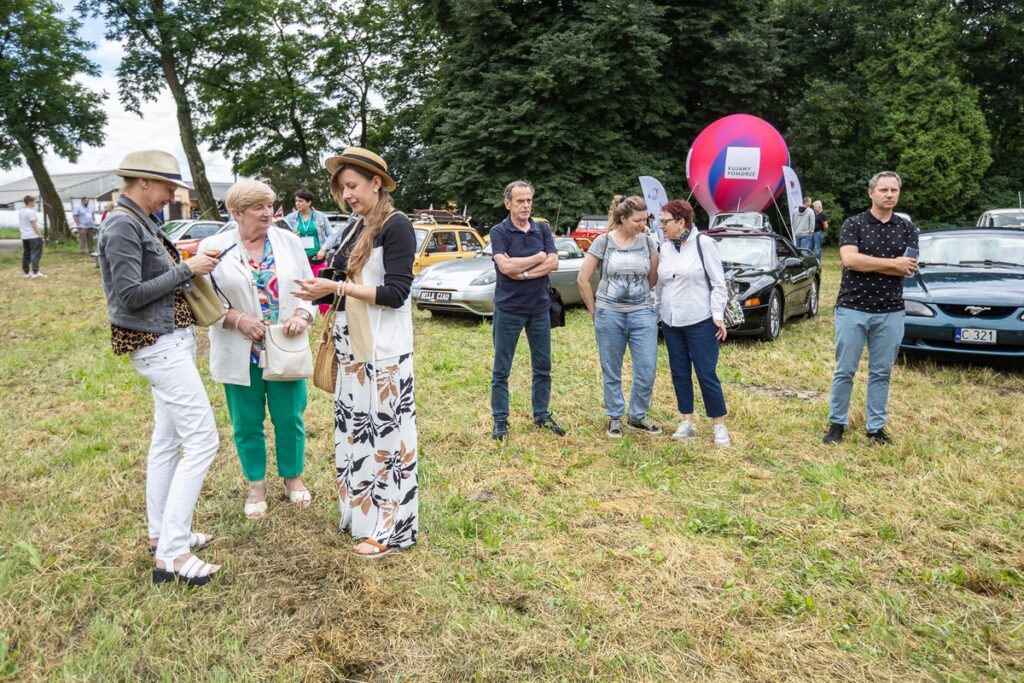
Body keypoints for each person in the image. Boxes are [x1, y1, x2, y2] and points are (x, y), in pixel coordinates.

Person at [97, 149, 223, 586]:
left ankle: (162, 534)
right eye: (169, 187)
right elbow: (129, 295)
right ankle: (172, 554)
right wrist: (187, 269)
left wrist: (184, 265)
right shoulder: (121, 226)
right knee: (203, 441)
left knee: (167, 441)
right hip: (157, 344)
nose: (172, 195)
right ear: (143, 182)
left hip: (167, 340)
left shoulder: (137, 221)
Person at [293, 147, 418, 558]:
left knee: (386, 439)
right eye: (342, 188)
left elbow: (397, 294)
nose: (347, 195)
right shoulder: (354, 227)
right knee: (355, 433)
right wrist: (312, 288)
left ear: (376, 182)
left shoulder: (397, 226)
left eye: (353, 186)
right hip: (352, 346)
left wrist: (337, 289)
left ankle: (391, 528)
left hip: (383, 351)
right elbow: (337, 274)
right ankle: (360, 515)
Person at [199, 180, 315, 520]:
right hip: (240, 349)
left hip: (283, 346)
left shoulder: (289, 242)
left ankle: (293, 479)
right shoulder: (214, 246)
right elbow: (203, 297)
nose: (268, 213)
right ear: (236, 213)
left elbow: (309, 288)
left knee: (289, 418)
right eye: (258, 207)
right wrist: (235, 318)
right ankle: (256, 485)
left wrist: (301, 314)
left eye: (269, 205)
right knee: (246, 422)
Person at [823, 171, 918, 446]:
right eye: (884, 190)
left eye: (894, 190)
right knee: (845, 369)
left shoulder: (907, 228)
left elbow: (908, 267)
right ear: (871, 193)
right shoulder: (853, 224)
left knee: (881, 372)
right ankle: (837, 423)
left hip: (890, 310)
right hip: (853, 307)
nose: (889, 194)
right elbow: (850, 260)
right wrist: (892, 265)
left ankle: (876, 428)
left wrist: (885, 264)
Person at [577, 195, 660, 437]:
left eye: (645, 220)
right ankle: (615, 415)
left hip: (642, 314)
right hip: (609, 314)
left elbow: (653, 279)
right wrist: (594, 311)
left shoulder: (648, 243)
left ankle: (637, 416)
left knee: (646, 369)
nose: (642, 224)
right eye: (637, 220)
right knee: (611, 368)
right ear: (622, 219)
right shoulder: (604, 242)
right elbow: (583, 278)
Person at [488, 180, 563, 441]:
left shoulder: (542, 229)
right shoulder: (499, 232)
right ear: (507, 203)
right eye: (520, 201)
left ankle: (541, 415)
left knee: (542, 366)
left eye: (529, 200)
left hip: (539, 308)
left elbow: (553, 262)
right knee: (501, 369)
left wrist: (526, 270)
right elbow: (506, 268)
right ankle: (500, 420)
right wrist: (537, 258)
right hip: (509, 309)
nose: (526, 205)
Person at [656, 199, 731, 447]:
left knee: (705, 372)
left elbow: (719, 284)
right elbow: (661, 284)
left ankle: (718, 425)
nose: (661, 225)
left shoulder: (704, 244)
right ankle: (686, 420)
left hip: (700, 319)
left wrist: (717, 316)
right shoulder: (665, 248)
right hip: (671, 320)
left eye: (665, 221)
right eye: (660, 221)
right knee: (679, 372)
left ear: (681, 222)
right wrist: (658, 311)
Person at [284, 189, 334, 271]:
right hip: (298, 259)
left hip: (317, 257)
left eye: (300, 201)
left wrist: (323, 249)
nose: (297, 203)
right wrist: (291, 235)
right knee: (300, 283)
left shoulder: (320, 216)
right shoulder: (290, 218)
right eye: (296, 201)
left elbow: (331, 235)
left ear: (309, 203)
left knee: (317, 282)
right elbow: (282, 236)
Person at [19, 196, 44, 279]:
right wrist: (40, 235)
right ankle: (35, 272)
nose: (35, 203)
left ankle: (26, 272)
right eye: (34, 201)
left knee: (26, 253)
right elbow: (34, 225)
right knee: (35, 254)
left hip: (24, 236)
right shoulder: (31, 212)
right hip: (33, 236)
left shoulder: (21, 211)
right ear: (30, 202)